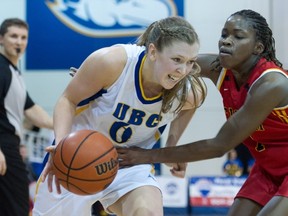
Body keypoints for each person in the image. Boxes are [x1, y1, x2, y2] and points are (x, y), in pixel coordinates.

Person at [117, 9, 288, 216]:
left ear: (257, 48)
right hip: (267, 167)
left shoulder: (272, 84)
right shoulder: (220, 69)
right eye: (224, 34)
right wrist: (111, 77)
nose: (226, 41)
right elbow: (158, 60)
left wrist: (145, 156)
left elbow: (219, 146)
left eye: (238, 36)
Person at [32, 16, 207, 216]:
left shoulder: (188, 91)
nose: (183, 70)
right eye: (177, 60)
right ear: (152, 52)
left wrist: (171, 145)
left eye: (190, 62)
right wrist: (62, 148)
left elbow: (190, 106)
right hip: (78, 158)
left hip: (129, 163)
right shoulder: (112, 62)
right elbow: (67, 100)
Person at [0, 18, 53, 216]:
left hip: (10, 147)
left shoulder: (13, 72)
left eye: (23, 37)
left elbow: (31, 110)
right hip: (4, 146)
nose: (19, 42)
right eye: (13, 36)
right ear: (1, 39)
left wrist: (68, 123)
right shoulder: (1, 69)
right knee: (17, 208)